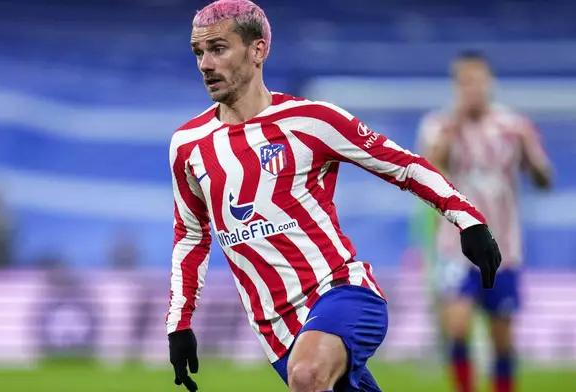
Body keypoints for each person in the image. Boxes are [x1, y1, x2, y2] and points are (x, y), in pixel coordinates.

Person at [166, 2, 502, 391]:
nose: (205, 63)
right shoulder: (187, 145)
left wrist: (468, 219)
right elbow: (191, 235)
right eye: (198, 52)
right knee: (309, 373)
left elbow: (404, 166)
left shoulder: (312, 121)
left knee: (307, 374)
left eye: (218, 49)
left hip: (342, 292)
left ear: (258, 50)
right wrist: (179, 323)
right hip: (276, 331)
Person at [417, 51, 552, 392]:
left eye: (477, 80)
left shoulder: (513, 127)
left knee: (502, 338)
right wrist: (454, 127)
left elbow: (544, 179)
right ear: (456, 87)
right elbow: (425, 173)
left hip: (503, 248)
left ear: (489, 83)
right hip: (455, 247)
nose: (472, 88)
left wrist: (533, 161)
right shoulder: (439, 125)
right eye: (464, 82)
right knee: (458, 326)